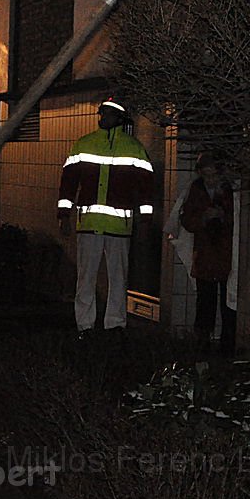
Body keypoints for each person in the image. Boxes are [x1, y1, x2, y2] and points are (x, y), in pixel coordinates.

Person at [57, 98, 154, 341]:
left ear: (119, 119)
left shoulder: (134, 148)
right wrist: (63, 215)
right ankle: (85, 327)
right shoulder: (83, 144)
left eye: (108, 114)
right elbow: (68, 183)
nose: (103, 118)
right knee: (86, 279)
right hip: (89, 225)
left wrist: (145, 221)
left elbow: (146, 190)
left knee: (118, 279)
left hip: (119, 227)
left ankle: (115, 326)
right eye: (102, 113)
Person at [180, 152, 236, 354]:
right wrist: (203, 218)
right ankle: (203, 341)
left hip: (224, 253)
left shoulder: (229, 190)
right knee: (205, 300)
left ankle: (227, 343)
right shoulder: (196, 189)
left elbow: (238, 219)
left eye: (213, 175)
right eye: (206, 175)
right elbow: (186, 219)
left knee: (227, 301)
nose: (210, 180)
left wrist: (222, 216)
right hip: (205, 252)